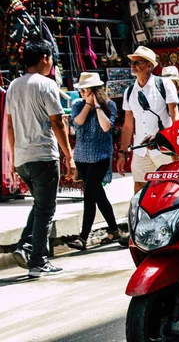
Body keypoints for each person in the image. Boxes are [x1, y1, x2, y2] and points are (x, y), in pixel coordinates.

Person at [7, 38, 76, 278]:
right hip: (44, 155)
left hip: (23, 157)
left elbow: (9, 126)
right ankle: (38, 261)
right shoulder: (46, 85)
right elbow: (57, 122)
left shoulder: (14, 85)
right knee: (46, 208)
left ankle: (25, 247)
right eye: (52, 59)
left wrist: (15, 156)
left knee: (39, 205)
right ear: (45, 58)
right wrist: (70, 155)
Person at [66, 72, 120, 251]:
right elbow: (77, 124)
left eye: (86, 90)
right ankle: (114, 229)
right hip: (82, 157)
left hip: (100, 157)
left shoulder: (109, 105)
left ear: (95, 90)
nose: (82, 93)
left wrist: (97, 107)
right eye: (81, 90)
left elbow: (106, 127)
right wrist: (87, 105)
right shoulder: (77, 105)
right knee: (98, 195)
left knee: (89, 195)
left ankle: (83, 237)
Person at [116, 46, 179, 194]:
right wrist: (122, 152)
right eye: (131, 63)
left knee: (167, 188)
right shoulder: (129, 91)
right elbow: (127, 125)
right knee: (139, 188)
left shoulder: (164, 84)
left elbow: (175, 116)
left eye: (137, 62)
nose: (133, 66)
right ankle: (140, 216)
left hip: (163, 147)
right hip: (140, 149)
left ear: (149, 65)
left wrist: (176, 146)